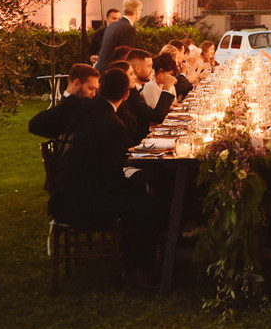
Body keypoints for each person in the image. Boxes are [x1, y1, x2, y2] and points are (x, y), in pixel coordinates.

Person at [45, 68, 158, 287]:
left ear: (99, 90)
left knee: (142, 192)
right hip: (83, 202)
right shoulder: (112, 124)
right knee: (146, 202)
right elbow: (111, 180)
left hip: (65, 195)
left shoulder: (88, 112)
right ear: (126, 95)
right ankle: (136, 268)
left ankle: (136, 263)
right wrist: (137, 179)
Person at [114, 50, 177, 146]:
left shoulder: (136, 90)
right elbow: (157, 117)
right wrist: (166, 88)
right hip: (137, 145)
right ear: (137, 68)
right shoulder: (131, 93)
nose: (152, 70)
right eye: (149, 66)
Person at [28, 63, 100, 139]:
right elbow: (34, 125)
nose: (94, 94)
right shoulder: (66, 109)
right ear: (76, 83)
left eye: (95, 90)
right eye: (91, 88)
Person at [95, 0, 142, 73]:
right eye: (140, 10)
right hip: (114, 72)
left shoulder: (112, 25)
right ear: (136, 11)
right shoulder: (129, 29)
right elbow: (125, 56)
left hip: (101, 70)